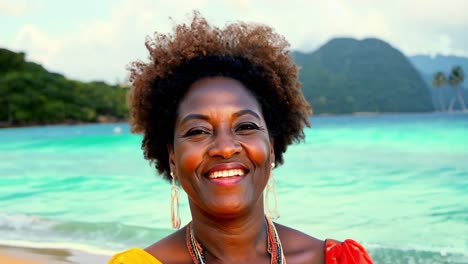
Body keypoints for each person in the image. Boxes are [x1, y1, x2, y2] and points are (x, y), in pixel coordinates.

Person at [108, 12, 372, 264]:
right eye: (198, 131)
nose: (224, 148)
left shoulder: (337, 260)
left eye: (245, 126)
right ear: (172, 158)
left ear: (271, 145)